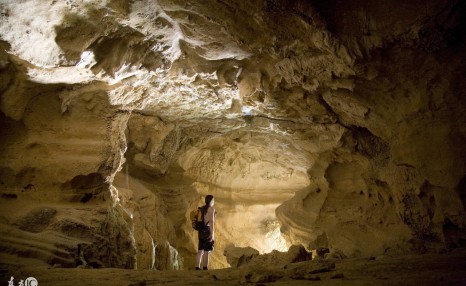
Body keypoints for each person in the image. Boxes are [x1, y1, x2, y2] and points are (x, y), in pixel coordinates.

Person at [195, 194, 215, 270]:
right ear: (211, 201)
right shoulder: (211, 209)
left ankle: (197, 267)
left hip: (201, 231)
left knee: (200, 250)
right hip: (207, 230)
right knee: (206, 251)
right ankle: (205, 267)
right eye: (213, 200)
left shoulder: (202, 208)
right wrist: (211, 233)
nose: (214, 202)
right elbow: (212, 222)